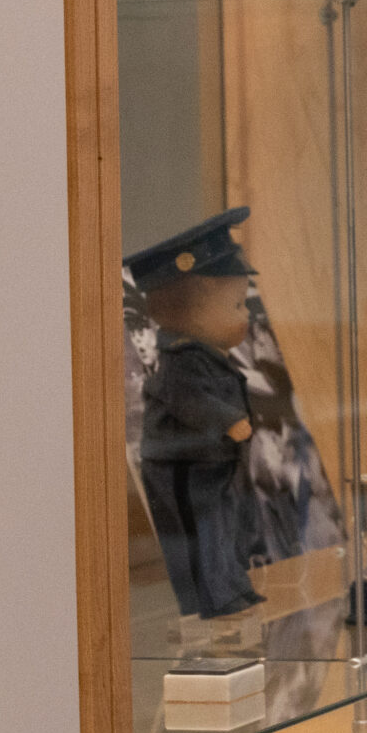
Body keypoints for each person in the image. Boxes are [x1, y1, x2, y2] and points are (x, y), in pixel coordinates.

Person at [127, 207, 266, 623]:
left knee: (223, 528)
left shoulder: (206, 355)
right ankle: (212, 598)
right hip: (184, 466)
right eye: (237, 305)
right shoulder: (180, 360)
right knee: (200, 534)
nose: (246, 316)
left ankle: (232, 587)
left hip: (211, 460)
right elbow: (189, 399)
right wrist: (227, 419)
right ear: (189, 313)